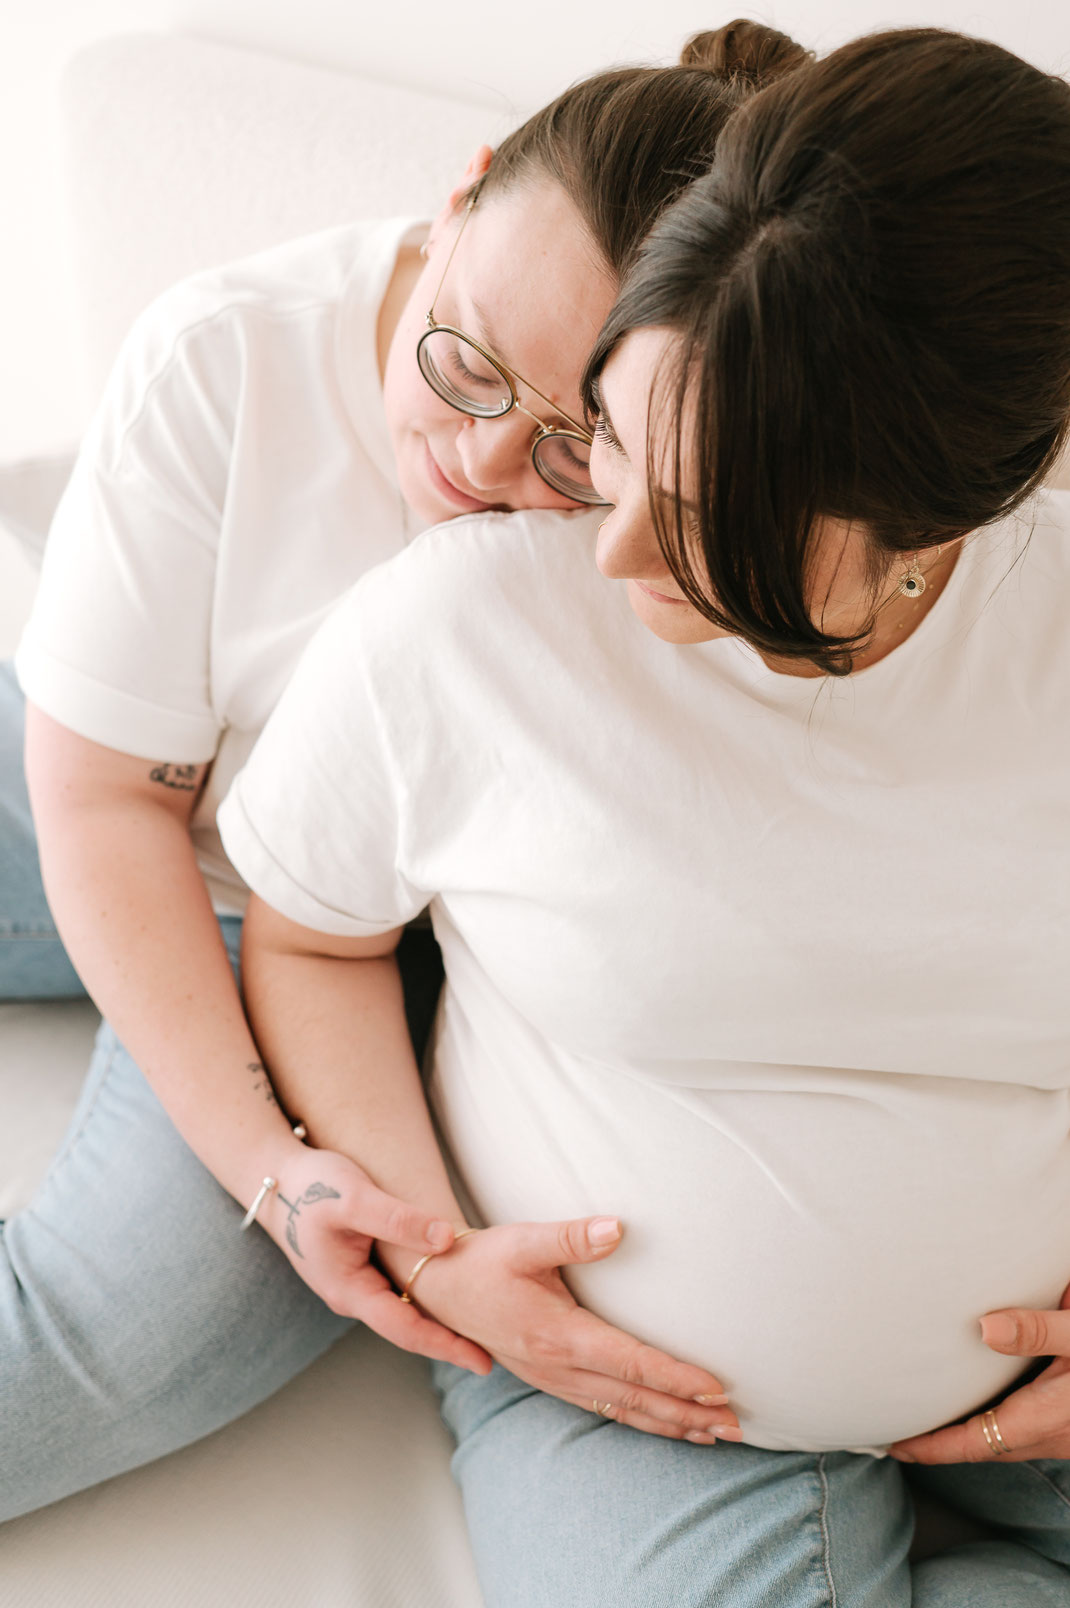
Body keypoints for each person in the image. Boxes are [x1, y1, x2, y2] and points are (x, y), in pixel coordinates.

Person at [218, 26, 1070, 1607]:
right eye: (612, 438)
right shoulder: (464, 629)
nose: (607, 551)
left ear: (937, 516)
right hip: (636, 1398)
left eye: (705, 517)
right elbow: (313, 940)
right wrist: (436, 1257)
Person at [0, 22, 811, 1522]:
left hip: (378, 927)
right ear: (459, 199)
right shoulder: (228, 351)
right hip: (140, 778)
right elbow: (105, 801)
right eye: (465, 360)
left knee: (117, 1337)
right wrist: (264, 1155)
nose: (484, 465)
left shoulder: (698, 501)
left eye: (574, 448)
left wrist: (327, 1187)